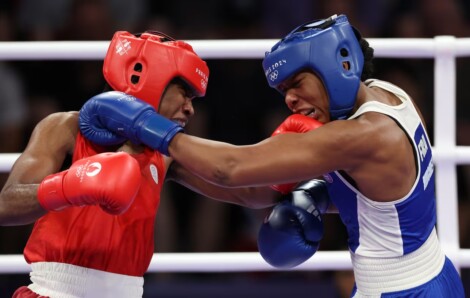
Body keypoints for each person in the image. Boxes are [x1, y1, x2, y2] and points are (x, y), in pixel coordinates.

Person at [78, 14, 465, 297]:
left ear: (337, 68)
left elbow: (232, 169)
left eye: (296, 84)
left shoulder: (361, 135)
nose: (291, 100)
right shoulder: (388, 94)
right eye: (283, 92)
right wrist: (170, 166)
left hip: (401, 290)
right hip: (432, 274)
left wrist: (145, 124)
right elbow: (385, 196)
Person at [0, 30, 285, 298]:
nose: (190, 107)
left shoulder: (167, 152)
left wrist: (297, 155)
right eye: (184, 93)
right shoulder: (64, 128)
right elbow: (6, 205)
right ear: (146, 78)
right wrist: (69, 187)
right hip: (54, 291)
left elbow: (249, 191)